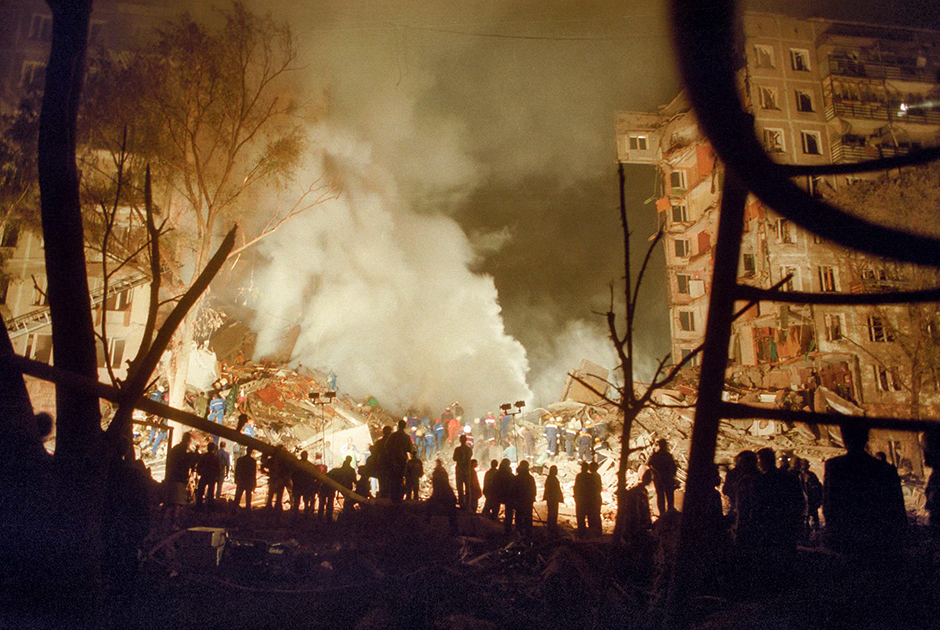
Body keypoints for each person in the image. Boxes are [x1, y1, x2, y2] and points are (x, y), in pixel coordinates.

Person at [823, 423, 907, 553]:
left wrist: (833, 533)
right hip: (877, 536)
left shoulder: (835, 466)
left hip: (847, 536)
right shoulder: (885, 469)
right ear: (866, 438)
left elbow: (830, 503)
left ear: (844, 439)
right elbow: (896, 508)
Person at [163, 432, 197, 525]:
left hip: (171, 478)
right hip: (179, 479)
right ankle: (174, 523)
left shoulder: (175, 449)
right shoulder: (183, 451)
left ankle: (165, 522)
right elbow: (188, 461)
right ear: (188, 441)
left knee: (171, 502)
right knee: (177, 503)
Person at [385, 419, 415, 502]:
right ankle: (399, 498)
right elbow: (410, 449)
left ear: (398, 426)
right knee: (400, 479)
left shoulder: (393, 436)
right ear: (405, 427)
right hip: (402, 461)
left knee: (392, 480)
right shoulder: (406, 437)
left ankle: (392, 498)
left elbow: (386, 447)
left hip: (392, 461)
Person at [426, 460, 459, 533]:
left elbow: (437, 494)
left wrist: (432, 499)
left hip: (446, 499)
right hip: (449, 499)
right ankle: (454, 531)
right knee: (452, 516)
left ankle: (427, 529)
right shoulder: (443, 474)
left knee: (428, 510)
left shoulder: (438, 476)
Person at [647, 439, 678, 516]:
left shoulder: (655, 455)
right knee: (669, 495)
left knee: (661, 496)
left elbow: (649, 464)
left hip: (659, 479)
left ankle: (663, 514)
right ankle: (669, 512)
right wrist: (672, 476)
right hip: (667, 479)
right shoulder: (668, 455)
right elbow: (674, 467)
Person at [512, 460, 537, 535]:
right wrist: (532, 498)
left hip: (519, 501)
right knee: (528, 518)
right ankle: (528, 534)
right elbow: (533, 489)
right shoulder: (530, 478)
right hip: (527, 501)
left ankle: (518, 533)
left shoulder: (516, 478)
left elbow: (513, 490)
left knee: (518, 517)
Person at [195, 441, 222, 509]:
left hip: (204, 475)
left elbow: (199, 465)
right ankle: (210, 506)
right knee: (210, 492)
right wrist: (217, 476)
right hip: (211, 476)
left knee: (201, 491)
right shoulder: (215, 458)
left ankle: (199, 505)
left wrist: (199, 472)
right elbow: (218, 468)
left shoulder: (203, 456)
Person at [291, 451, 316, 518]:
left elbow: (292, 475)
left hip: (299, 485)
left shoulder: (296, 464)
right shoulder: (310, 465)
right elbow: (313, 476)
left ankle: (296, 515)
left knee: (297, 501)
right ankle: (304, 515)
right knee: (305, 501)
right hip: (305, 486)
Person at [453, 434, 473, 509]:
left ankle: (462, 503)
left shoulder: (457, 449)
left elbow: (454, 458)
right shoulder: (469, 449)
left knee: (460, 488)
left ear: (460, 440)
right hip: (467, 470)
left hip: (459, 470)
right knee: (468, 488)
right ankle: (468, 504)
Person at [574, 462, 592, 536]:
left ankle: (581, 532)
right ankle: (589, 533)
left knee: (580, 517)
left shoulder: (579, 476)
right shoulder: (589, 477)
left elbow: (576, 487)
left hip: (581, 499)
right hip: (587, 499)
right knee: (589, 516)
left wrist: (576, 497)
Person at [543, 465, 564, 531]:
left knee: (551, 512)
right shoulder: (552, 479)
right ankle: (552, 526)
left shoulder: (550, 478)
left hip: (551, 498)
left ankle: (551, 526)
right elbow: (555, 489)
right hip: (553, 498)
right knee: (553, 513)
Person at [588, 461, 603, 535]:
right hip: (597, 498)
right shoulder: (598, 475)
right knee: (596, 515)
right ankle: (598, 531)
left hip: (593, 499)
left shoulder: (592, 476)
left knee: (592, 516)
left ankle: (594, 532)